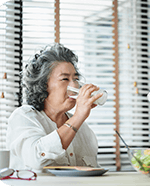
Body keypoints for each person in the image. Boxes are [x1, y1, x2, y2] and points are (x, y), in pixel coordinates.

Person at [6, 43, 103, 171]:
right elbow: (36, 160)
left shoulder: (84, 130)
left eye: (76, 79)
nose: (74, 87)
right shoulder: (23, 117)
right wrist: (79, 116)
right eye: (64, 79)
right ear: (42, 85)